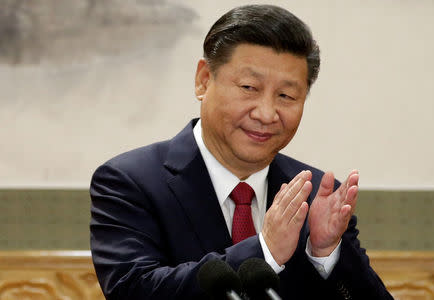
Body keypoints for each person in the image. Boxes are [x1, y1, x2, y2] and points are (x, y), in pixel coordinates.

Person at [90, 4, 393, 299]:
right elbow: (133, 290)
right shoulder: (130, 181)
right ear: (203, 80)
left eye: (286, 95)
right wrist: (264, 252)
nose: (266, 113)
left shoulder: (316, 196)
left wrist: (326, 255)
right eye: (249, 87)